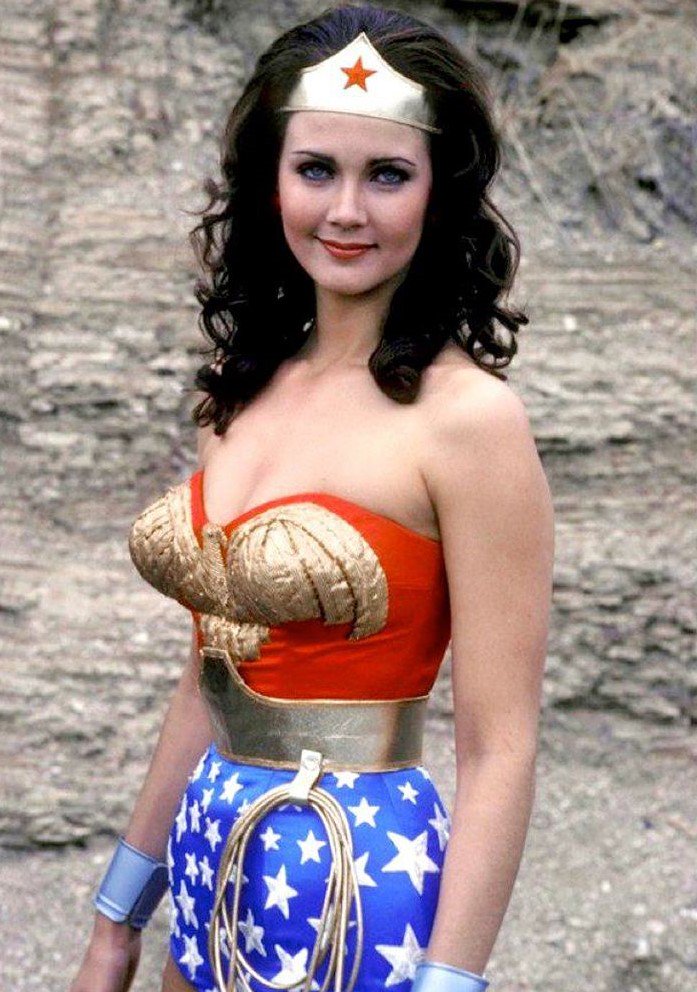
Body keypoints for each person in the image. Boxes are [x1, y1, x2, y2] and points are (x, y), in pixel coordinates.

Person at [69, 3, 554, 991]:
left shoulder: (469, 423)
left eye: (388, 175)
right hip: (208, 863)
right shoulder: (235, 394)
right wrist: (117, 920)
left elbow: (498, 746)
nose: (346, 211)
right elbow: (207, 683)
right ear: (270, 180)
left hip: (361, 891)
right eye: (316, 169)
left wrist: (448, 981)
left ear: (440, 191)